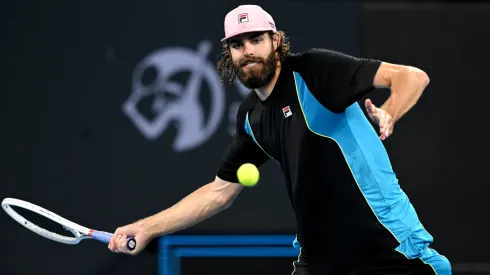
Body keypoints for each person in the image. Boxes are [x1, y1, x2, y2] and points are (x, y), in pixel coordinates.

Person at [109, 4, 451, 275]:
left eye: (256, 39)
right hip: (320, 262)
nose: (248, 51)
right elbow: (218, 193)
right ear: (229, 54)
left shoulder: (313, 72)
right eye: (238, 45)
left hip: (388, 252)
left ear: (276, 40)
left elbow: (411, 77)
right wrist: (147, 228)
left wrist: (389, 111)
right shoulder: (251, 116)